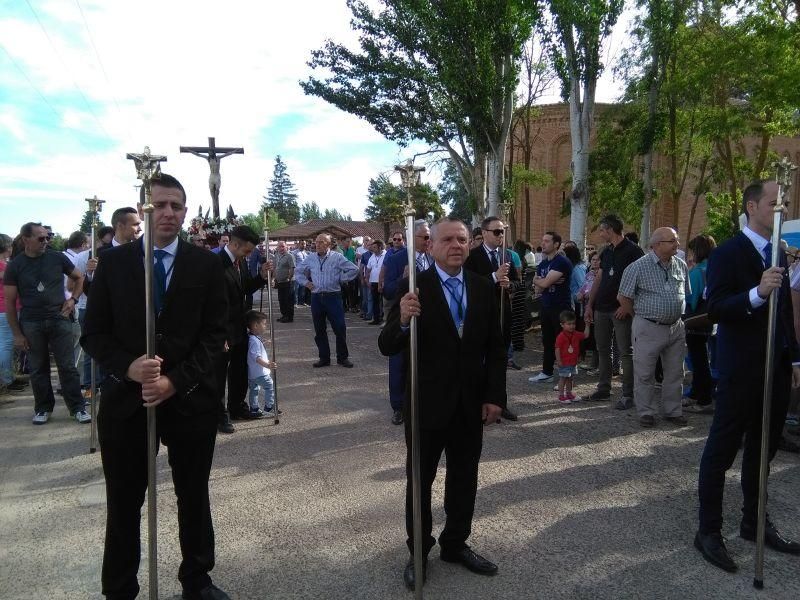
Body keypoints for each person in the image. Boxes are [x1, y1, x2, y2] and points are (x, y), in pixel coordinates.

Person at [81, 173, 230, 600]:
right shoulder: (114, 263)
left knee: (193, 495)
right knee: (124, 501)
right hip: (128, 400)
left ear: (185, 212)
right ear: (145, 209)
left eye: (176, 206)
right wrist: (128, 367)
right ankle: (120, 587)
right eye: (160, 205)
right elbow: (93, 334)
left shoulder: (206, 264)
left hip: (188, 399)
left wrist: (173, 380)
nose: (168, 213)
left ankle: (197, 579)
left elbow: (215, 335)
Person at [378, 217, 506, 590]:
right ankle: (418, 552)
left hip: (469, 405)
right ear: (430, 246)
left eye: (463, 239)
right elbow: (387, 346)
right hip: (426, 406)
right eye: (447, 239)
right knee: (419, 481)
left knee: (464, 478)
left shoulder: (483, 288)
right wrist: (402, 319)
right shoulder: (414, 288)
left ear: (471, 244)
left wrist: (495, 397)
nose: (456, 245)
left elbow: (495, 351)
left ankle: (455, 544)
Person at [695, 180, 800, 574]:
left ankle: (755, 523)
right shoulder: (728, 252)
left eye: (784, 204)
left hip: (775, 368)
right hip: (741, 369)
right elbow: (717, 307)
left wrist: (795, 360)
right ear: (753, 206)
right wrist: (756, 293)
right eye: (775, 204)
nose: (781, 210)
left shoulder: (779, 252)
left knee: (764, 451)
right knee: (721, 451)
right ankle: (708, 530)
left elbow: (787, 312)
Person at [4, 222, 89, 425]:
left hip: (59, 318)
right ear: (26, 239)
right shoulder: (15, 265)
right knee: (37, 367)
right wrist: (17, 334)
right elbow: (9, 301)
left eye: (47, 237)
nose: (46, 241)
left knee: (67, 366)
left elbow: (79, 277)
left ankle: (77, 407)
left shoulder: (57, 257)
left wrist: (73, 300)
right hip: (31, 322)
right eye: (41, 238)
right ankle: (43, 408)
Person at [617, 227, 690, 422]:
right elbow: (623, 297)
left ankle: (673, 411)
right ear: (657, 245)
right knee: (645, 372)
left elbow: (686, 294)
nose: (678, 244)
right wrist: (639, 318)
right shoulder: (638, 267)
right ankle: (646, 412)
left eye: (677, 240)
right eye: (672, 241)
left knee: (675, 372)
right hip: (648, 327)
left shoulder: (681, 265)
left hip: (676, 327)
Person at [216, 225, 272, 434]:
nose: (249, 255)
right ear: (235, 244)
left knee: (240, 369)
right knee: (219, 374)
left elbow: (245, 288)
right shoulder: (217, 264)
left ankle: (237, 406)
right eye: (247, 251)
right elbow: (214, 303)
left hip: (240, 326)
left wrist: (261, 275)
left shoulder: (241, 262)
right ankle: (219, 414)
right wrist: (219, 333)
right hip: (222, 330)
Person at [464, 216, 520, 421]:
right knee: (479, 360)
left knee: (499, 360)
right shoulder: (472, 256)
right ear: (485, 233)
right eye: (496, 232)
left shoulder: (506, 255)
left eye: (502, 231)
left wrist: (510, 286)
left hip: (503, 315)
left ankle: (499, 402)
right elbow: (468, 284)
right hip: (480, 316)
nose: (500, 235)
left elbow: (516, 282)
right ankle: (478, 403)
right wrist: (494, 277)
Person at [584, 214, 644, 404]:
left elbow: (641, 282)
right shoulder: (607, 251)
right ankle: (603, 388)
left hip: (620, 310)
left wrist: (628, 306)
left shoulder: (634, 251)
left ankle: (628, 394)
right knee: (602, 349)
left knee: (626, 351)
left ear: (610, 229)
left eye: (602, 230)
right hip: (602, 307)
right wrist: (590, 304)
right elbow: (599, 278)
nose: (601, 234)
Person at [382, 221, 432, 425]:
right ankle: (398, 407)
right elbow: (386, 290)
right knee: (399, 362)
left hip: (427, 320)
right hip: (402, 319)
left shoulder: (433, 258)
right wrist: (402, 281)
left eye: (430, 237)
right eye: (425, 237)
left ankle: (422, 402)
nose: (429, 241)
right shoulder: (397, 259)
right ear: (411, 237)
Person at [295, 233, 360, 368]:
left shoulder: (337, 257)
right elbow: (298, 271)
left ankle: (342, 358)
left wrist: (341, 279)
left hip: (333, 296)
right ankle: (324, 358)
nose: (317, 244)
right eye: (316, 242)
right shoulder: (311, 258)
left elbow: (354, 269)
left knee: (339, 328)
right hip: (317, 297)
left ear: (329, 245)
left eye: (321, 242)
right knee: (319, 329)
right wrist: (306, 283)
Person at [529, 231, 573, 385]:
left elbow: (545, 284)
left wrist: (540, 281)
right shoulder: (542, 264)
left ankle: (566, 377)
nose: (543, 243)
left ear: (556, 244)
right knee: (547, 341)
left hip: (561, 308)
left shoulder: (561, 262)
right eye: (543, 240)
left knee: (564, 342)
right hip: (546, 307)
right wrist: (540, 281)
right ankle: (547, 372)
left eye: (547, 241)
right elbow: (538, 289)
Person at [683, 234, 717, 414]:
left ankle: (704, 399)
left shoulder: (697, 271)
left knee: (699, 361)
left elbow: (691, 298)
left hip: (695, 321)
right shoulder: (714, 268)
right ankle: (696, 393)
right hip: (708, 320)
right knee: (702, 358)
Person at [245, 310, 277, 417]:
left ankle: (254, 408)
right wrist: (267, 365)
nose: (265, 326)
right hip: (260, 372)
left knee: (254, 390)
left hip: (252, 373)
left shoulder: (251, 338)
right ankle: (269, 406)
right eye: (264, 324)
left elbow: (253, 351)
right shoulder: (254, 341)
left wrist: (263, 343)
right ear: (255, 325)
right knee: (269, 386)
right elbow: (256, 357)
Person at [555, 309, 584, 404]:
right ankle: (561, 395)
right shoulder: (561, 336)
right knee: (563, 378)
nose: (572, 326)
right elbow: (557, 349)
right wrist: (558, 360)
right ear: (562, 325)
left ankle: (569, 393)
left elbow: (586, 335)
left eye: (573, 324)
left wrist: (587, 325)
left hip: (573, 362)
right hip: (564, 362)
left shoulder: (576, 334)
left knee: (570, 378)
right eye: (569, 324)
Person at [273, 241, 296, 323]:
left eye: (283, 246)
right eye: (279, 246)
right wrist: (274, 278)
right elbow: (276, 268)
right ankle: (284, 315)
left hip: (288, 282)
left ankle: (289, 317)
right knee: (281, 299)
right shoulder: (277, 255)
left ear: (286, 247)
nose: (281, 248)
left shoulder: (289, 256)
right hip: (280, 282)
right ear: (277, 248)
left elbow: (292, 268)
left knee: (288, 300)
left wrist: (289, 278)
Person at [367, 240, 387, 325]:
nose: (373, 249)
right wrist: (367, 280)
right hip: (373, 282)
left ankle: (385, 319)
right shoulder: (372, 257)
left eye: (375, 247)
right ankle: (376, 319)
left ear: (380, 247)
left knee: (384, 302)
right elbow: (368, 269)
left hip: (383, 282)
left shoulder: (386, 255)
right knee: (375, 301)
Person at [292, 240, 310, 306]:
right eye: (302, 244)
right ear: (299, 244)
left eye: (304, 244)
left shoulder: (306, 253)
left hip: (304, 273)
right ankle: (295, 302)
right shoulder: (294, 253)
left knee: (303, 289)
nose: (304, 245)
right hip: (297, 273)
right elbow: (293, 263)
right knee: (296, 289)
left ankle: (301, 302)